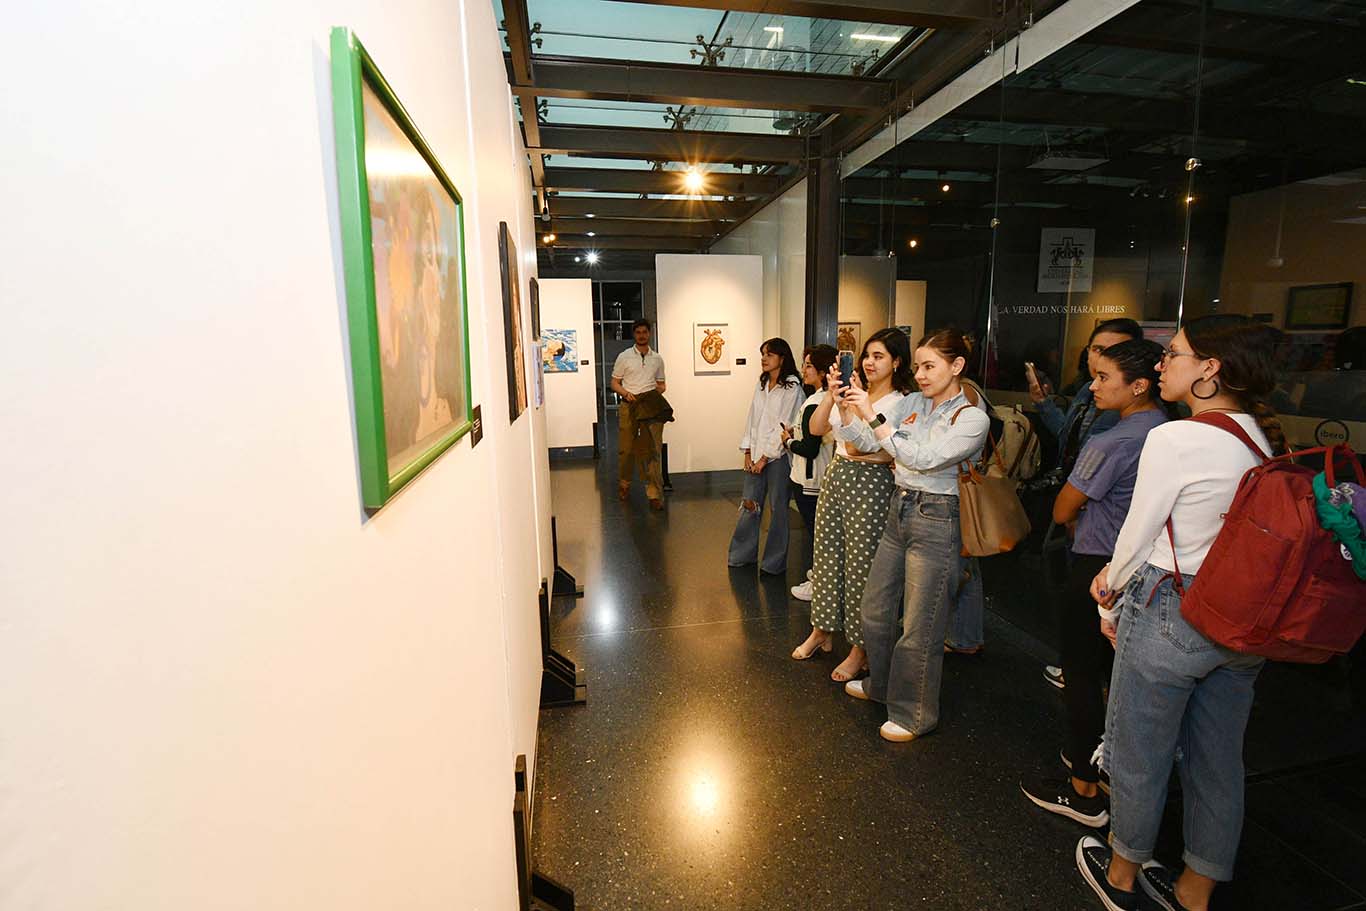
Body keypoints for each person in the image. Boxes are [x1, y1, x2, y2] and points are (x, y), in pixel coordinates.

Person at [1076, 316, 1286, 911]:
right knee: (1217, 759)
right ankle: (1196, 889)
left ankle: (1122, 875)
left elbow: (1139, 530)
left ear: (1210, 369)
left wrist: (1110, 589)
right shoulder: (1261, 437)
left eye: (1174, 354)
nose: (1161, 363)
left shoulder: (1174, 437)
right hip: (1242, 616)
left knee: (1139, 749)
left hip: (1172, 603)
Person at [1019, 338, 1168, 828]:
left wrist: (1075, 517)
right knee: (1115, 673)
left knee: (1081, 672)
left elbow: (1065, 506)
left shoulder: (1113, 441)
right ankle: (1106, 764)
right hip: (1149, 568)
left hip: (1099, 564)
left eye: (1104, 377)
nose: (1093, 386)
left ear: (1139, 385)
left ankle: (1083, 785)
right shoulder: (1166, 431)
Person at [841, 329, 991, 742]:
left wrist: (874, 417)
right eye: (918, 366)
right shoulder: (911, 404)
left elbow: (922, 459)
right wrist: (849, 411)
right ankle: (882, 686)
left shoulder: (972, 419)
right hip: (900, 507)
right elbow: (868, 443)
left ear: (956, 366)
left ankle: (913, 714)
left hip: (938, 517)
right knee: (875, 609)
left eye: (929, 366)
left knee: (920, 624)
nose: (920, 375)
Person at [791, 329, 912, 682]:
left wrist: (855, 419)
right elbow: (816, 429)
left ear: (897, 362)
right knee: (826, 555)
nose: (870, 362)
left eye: (879, 356)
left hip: (871, 484)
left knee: (862, 565)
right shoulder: (857, 390)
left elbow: (868, 449)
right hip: (838, 474)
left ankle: (861, 647)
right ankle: (822, 629)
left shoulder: (901, 402)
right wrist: (832, 397)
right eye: (867, 355)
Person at [728, 339, 804, 574]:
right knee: (749, 504)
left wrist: (765, 458)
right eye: (763, 354)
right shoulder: (762, 384)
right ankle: (741, 555)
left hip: (778, 457)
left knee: (778, 509)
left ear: (782, 358)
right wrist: (748, 451)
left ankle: (773, 563)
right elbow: (752, 419)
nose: (764, 358)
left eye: (769, 354)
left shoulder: (792, 388)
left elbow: (785, 425)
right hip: (757, 453)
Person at [1030, 318, 1143, 473]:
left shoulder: (1135, 403)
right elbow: (1067, 435)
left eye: (1116, 352)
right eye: (1098, 349)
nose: (1104, 359)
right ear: (1088, 352)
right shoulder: (1087, 390)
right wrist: (1043, 402)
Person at [782, 344, 839, 601]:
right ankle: (820, 577)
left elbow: (809, 448)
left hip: (810, 480)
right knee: (822, 534)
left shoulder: (816, 403)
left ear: (823, 371)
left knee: (819, 536)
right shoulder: (823, 399)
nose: (804, 370)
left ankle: (820, 583)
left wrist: (788, 441)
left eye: (809, 366)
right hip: (819, 477)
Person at [611, 319, 667, 509]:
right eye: (638, 332)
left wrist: (651, 395)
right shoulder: (624, 357)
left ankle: (654, 494)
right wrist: (626, 393)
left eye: (645, 332)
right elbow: (614, 383)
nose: (642, 335)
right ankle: (624, 483)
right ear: (634, 334)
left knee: (653, 450)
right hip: (629, 406)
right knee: (626, 449)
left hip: (650, 408)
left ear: (649, 333)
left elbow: (662, 385)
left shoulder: (657, 359)